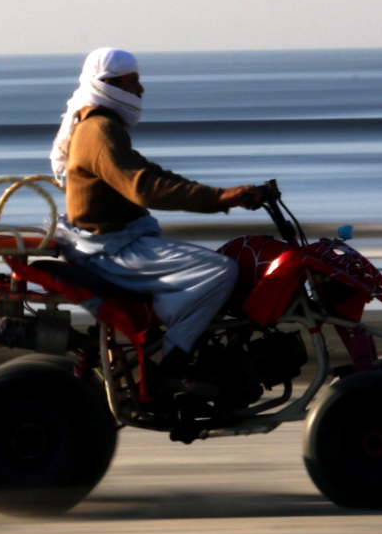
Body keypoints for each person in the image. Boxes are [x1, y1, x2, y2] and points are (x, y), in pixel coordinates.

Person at [50, 47, 264, 391]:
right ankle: (173, 364)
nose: (141, 89)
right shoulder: (100, 129)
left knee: (219, 266)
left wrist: (221, 194)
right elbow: (144, 188)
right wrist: (219, 197)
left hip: (118, 241)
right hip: (113, 250)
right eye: (133, 81)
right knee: (222, 270)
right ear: (110, 83)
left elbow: (149, 171)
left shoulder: (100, 125)